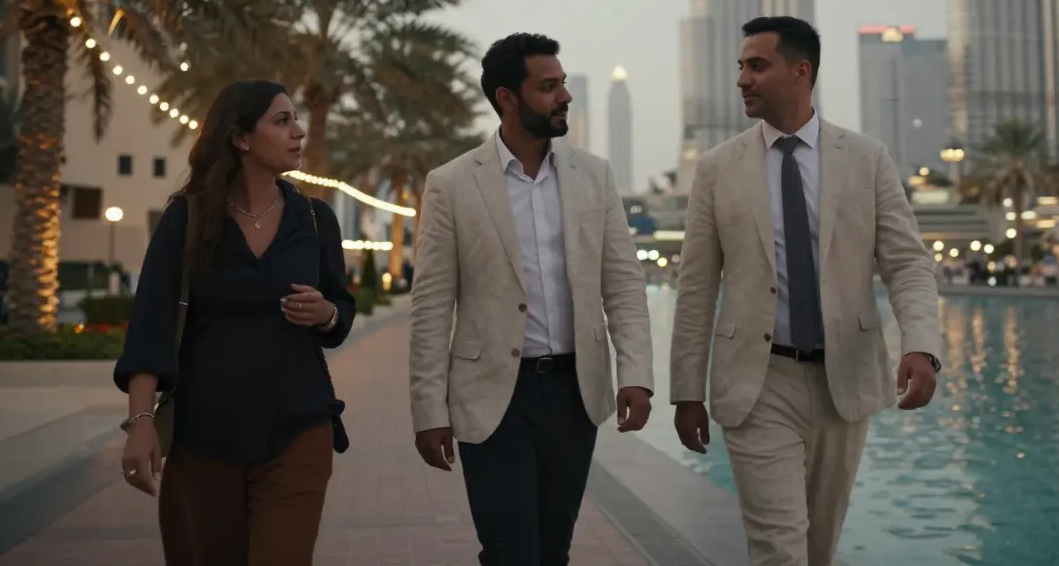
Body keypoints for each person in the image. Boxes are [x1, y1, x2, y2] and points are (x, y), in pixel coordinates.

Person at [670, 17, 942, 566]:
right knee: (780, 551)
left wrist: (922, 344)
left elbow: (907, 263)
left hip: (845, 381)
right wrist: (686, 390)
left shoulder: (867, 159)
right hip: (758, 382)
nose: (743, 79)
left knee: (818, 549)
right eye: (741, 67)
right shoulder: (718, 169)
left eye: (757, 66)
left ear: (801, 72)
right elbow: (696, 287)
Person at [408, 32, 654, 565]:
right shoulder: (451, 184)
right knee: (509, 552)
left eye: (563, 83)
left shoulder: (595, 176)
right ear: (507, 98)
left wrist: (635, 372)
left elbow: (624, 283)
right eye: (548, 87)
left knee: (552, 551)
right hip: (493, 397)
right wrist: (428, 409)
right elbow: (430, 307)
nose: (564, 96)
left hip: (574, 394)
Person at [114, 79, 355, 566]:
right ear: (240, 137)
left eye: (296, 120)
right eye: (281, 121)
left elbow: (342, 312)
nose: (298, 132)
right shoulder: (188, 219)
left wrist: (327, 314)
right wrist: (141, 424)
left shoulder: (314, 219)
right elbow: (150, 328)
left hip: (298, 428)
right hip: (204, 437)